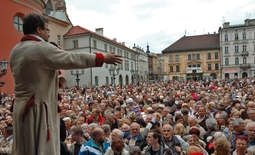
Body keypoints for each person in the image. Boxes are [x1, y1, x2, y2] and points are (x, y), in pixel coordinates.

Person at [9, 13, 122, 155]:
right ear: (39, 29)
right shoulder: (40, 48)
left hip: (21, 108)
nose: (49, 34)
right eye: (47, 30)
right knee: (40, 149)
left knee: (24, 149)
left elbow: (33, 77)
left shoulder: (15, 50)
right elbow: (71, 58)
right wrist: (101, 57)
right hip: (37, 110)